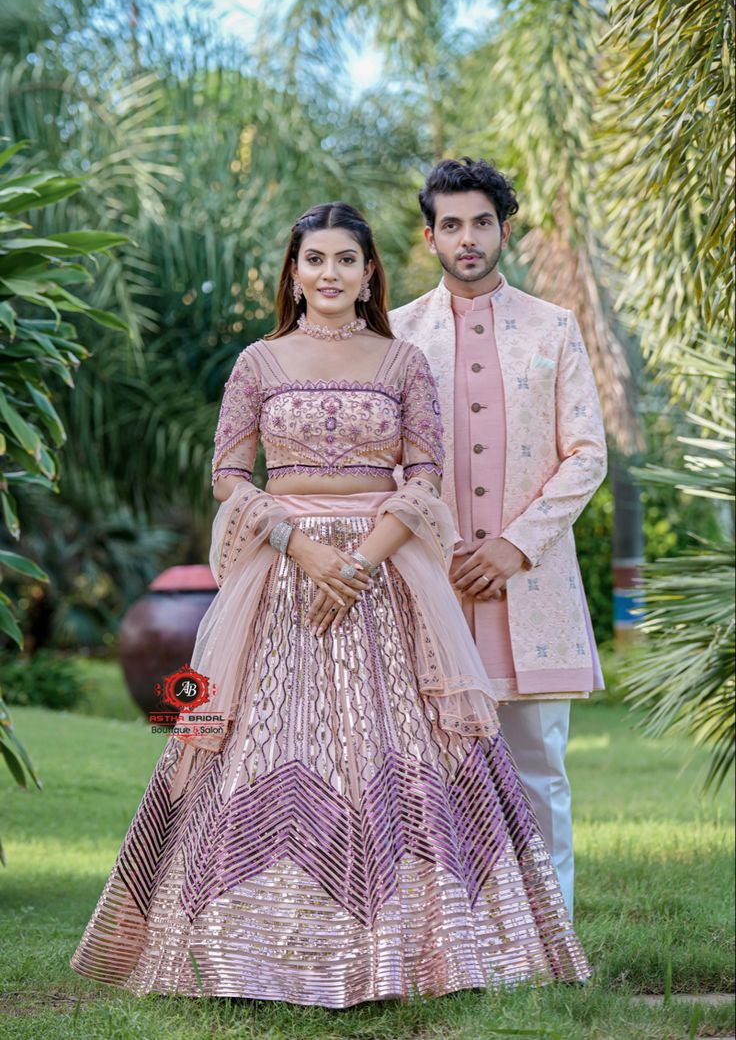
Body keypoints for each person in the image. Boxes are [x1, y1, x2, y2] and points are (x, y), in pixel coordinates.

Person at [69, 202, 590, 1006]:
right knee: (245, 739)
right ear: (293, 272)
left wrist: (359, 561)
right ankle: (236, 951)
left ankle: (419, 951)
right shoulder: (259, 363)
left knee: (402, 748)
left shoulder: (403, 363)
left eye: (347, 260)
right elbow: (230, 476)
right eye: (315, 260)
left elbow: (423, 477)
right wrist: (302, 549)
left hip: (386, 577)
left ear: (370, 272)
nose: (331, 274)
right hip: (279, 573)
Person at [389, 158, 608, 919]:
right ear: (430, 237)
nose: (468, 238)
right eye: (451, 224)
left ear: (504, 229)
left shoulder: (554, 328)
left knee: (538, 768)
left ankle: (553, 935)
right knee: (432, 767)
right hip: (431, 587)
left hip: (532, 585)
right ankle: (455, 936)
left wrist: (515, 545)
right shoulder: (396, 337)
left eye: (482, 222)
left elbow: (587, 453)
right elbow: (382, 462)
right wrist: (435, 544)